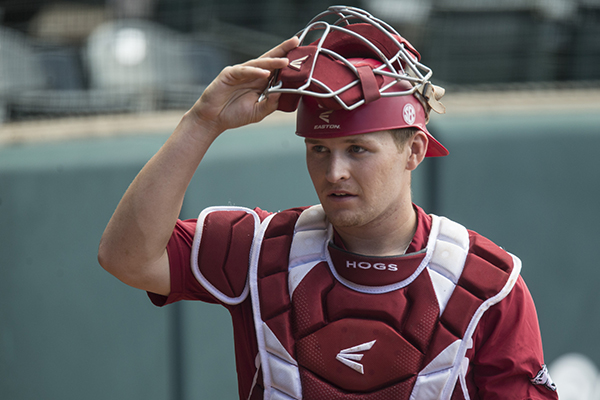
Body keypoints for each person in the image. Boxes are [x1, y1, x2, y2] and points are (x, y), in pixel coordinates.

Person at [98, 6, 558, 400]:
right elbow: (127, 258)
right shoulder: (259, 250)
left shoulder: (487, 285)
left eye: (358, 149)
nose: (334, 171)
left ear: (414, 151)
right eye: (319, 149)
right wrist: (202, 121)